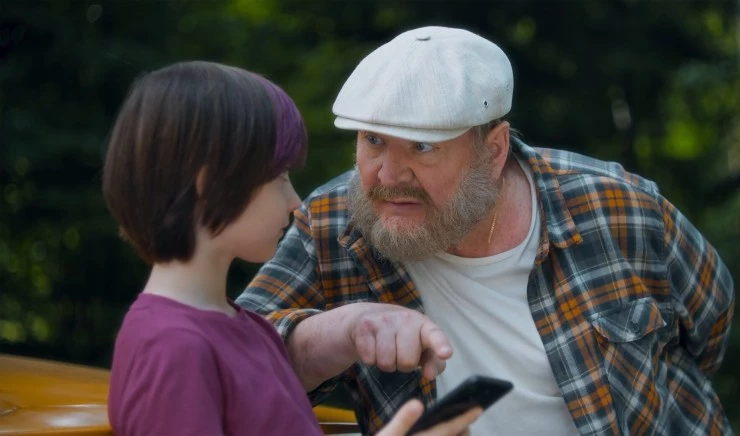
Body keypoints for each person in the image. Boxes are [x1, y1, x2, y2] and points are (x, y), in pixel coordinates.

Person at [236, 26, 735, 435]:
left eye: (422, 147)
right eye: (373, 141)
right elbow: (233, 365)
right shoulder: (333, 224)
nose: (387, 175)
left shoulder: (619, 207)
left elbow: (711, 326)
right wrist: (343, 329)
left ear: (493, 150)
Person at [102, 60, 482, 436]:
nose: (295, 201)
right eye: (279, 177)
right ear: (208, 181)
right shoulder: (172, 347)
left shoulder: (250, 329)